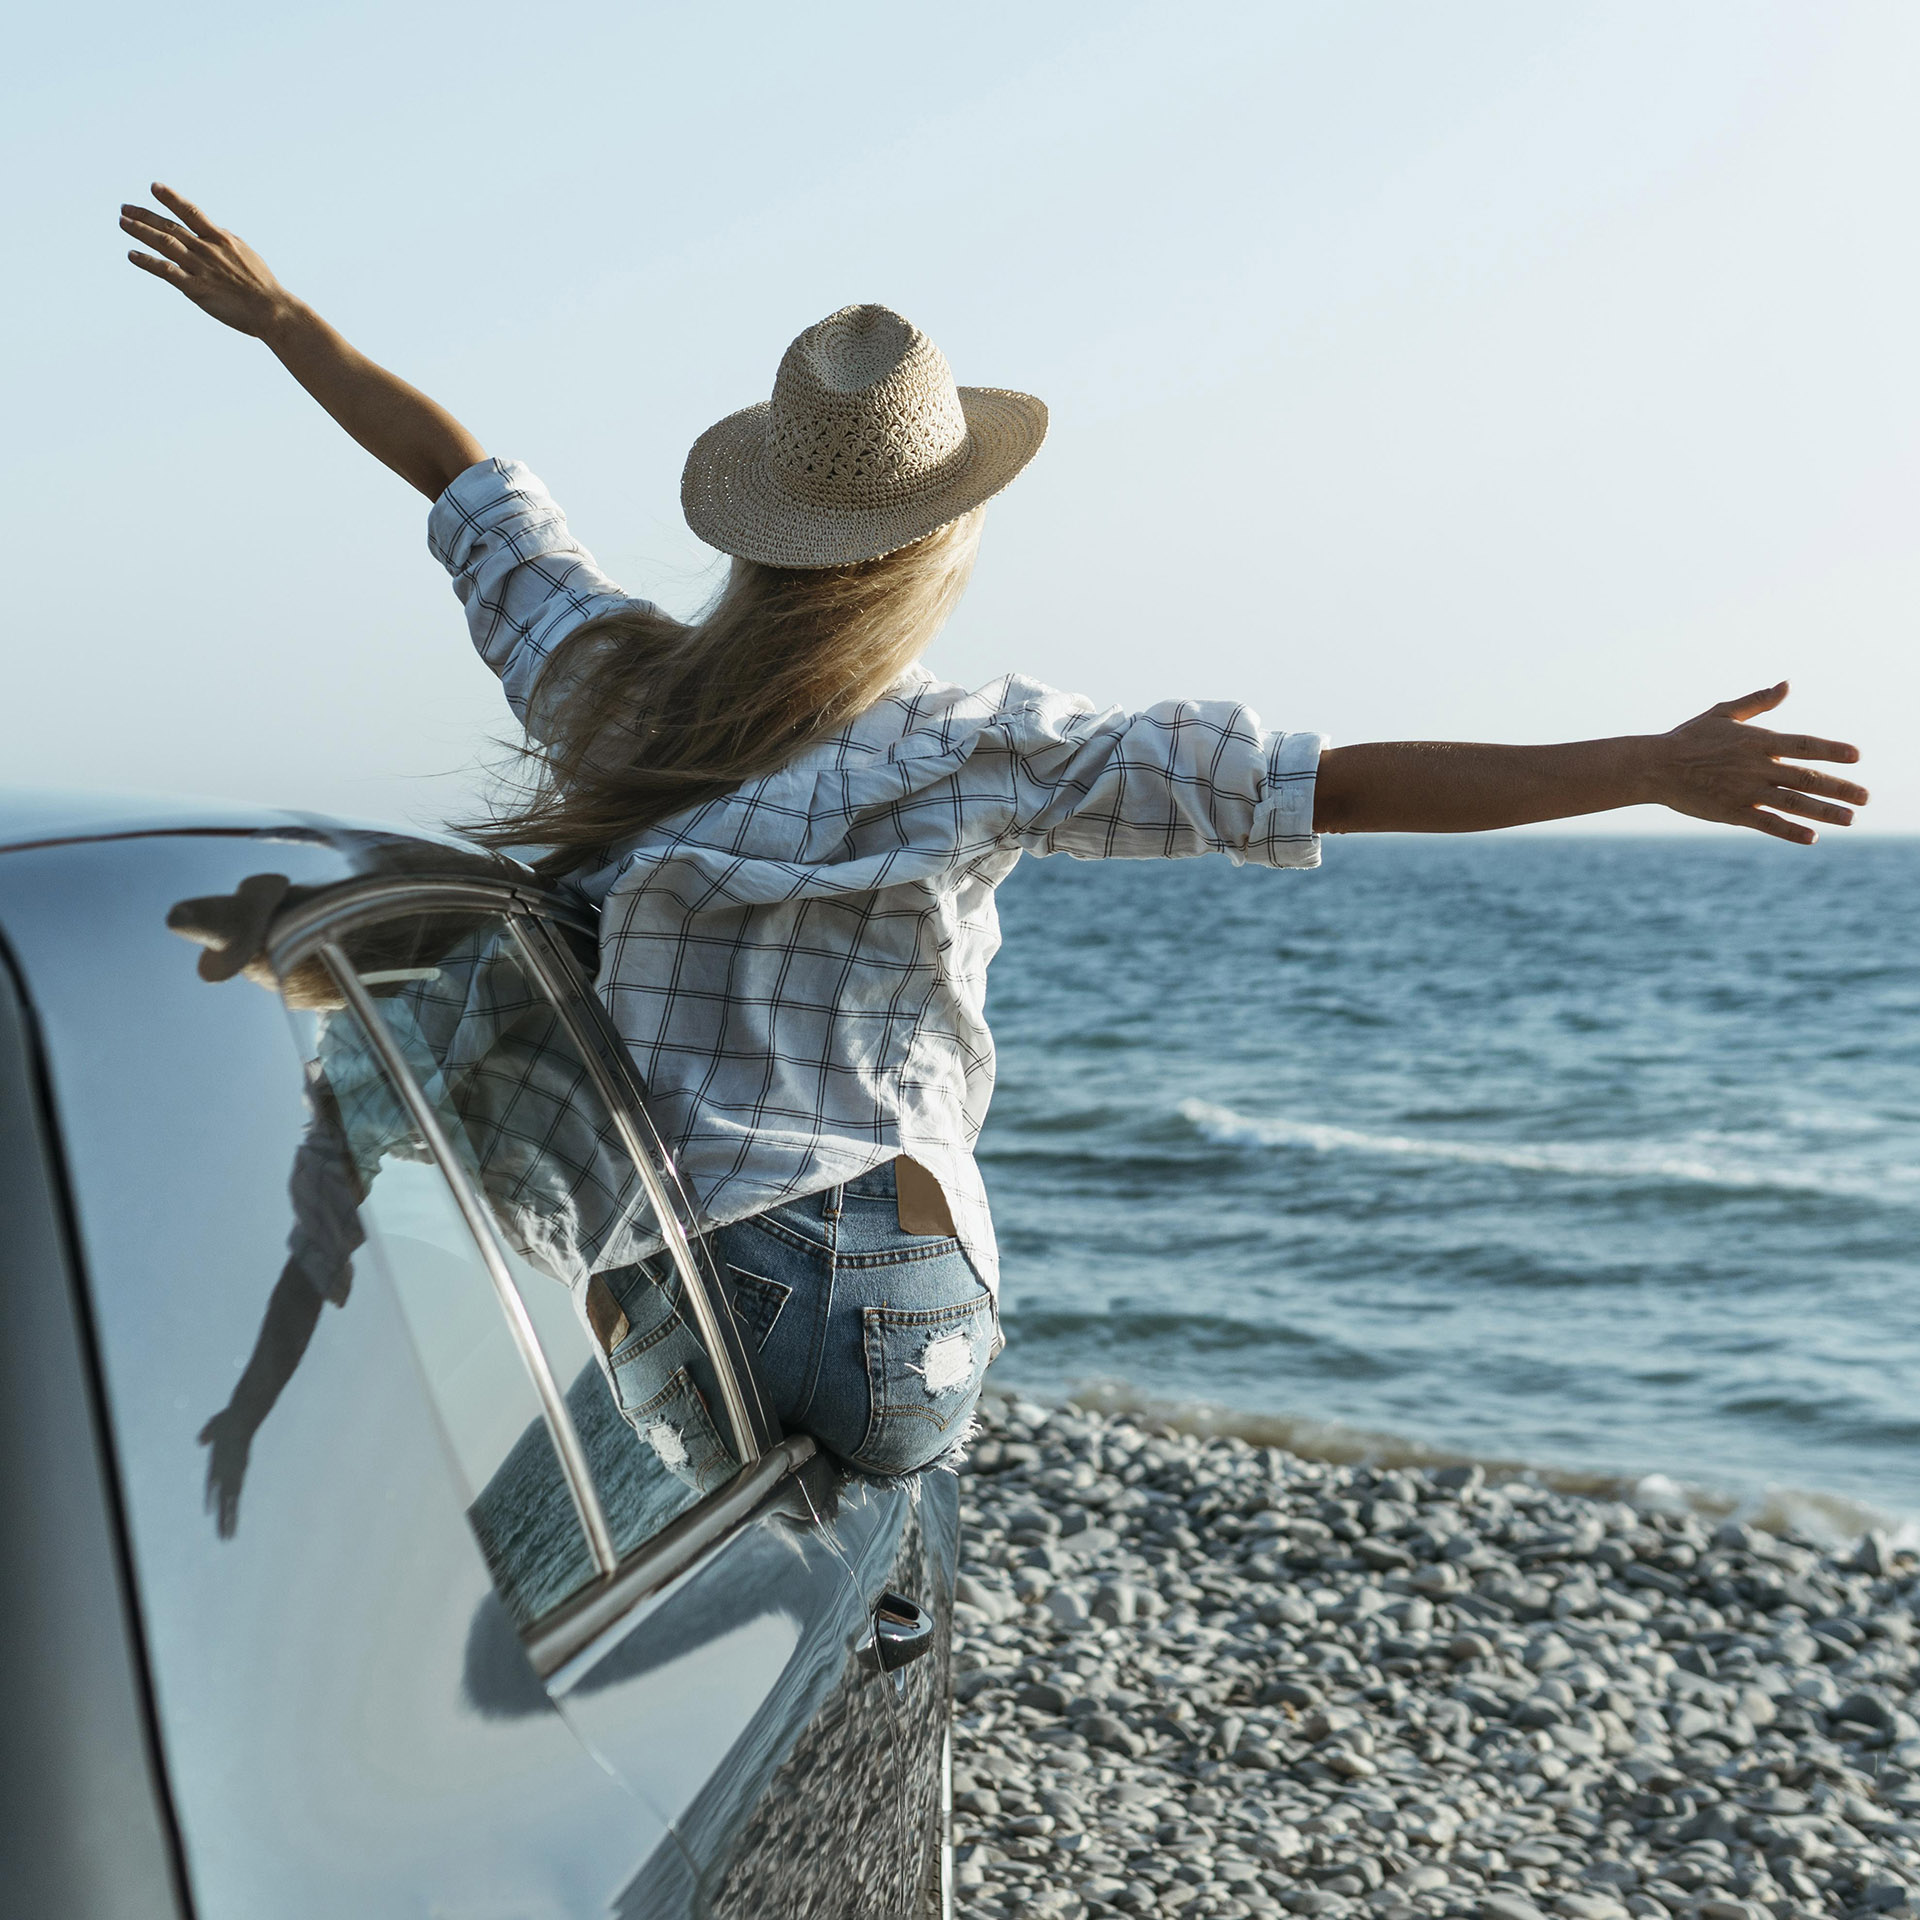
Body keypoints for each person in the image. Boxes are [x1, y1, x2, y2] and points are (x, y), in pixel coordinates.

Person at [122, 184, 1868, 1481]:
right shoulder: (990, 747)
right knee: (877, 1529)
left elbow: (469, 485)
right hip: (884, 1313)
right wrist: (1642, 761)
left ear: (759, 532)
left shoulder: (611, 694)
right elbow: (1334, 784)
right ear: (936, 544)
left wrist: (286, 325)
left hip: (668, 1288)